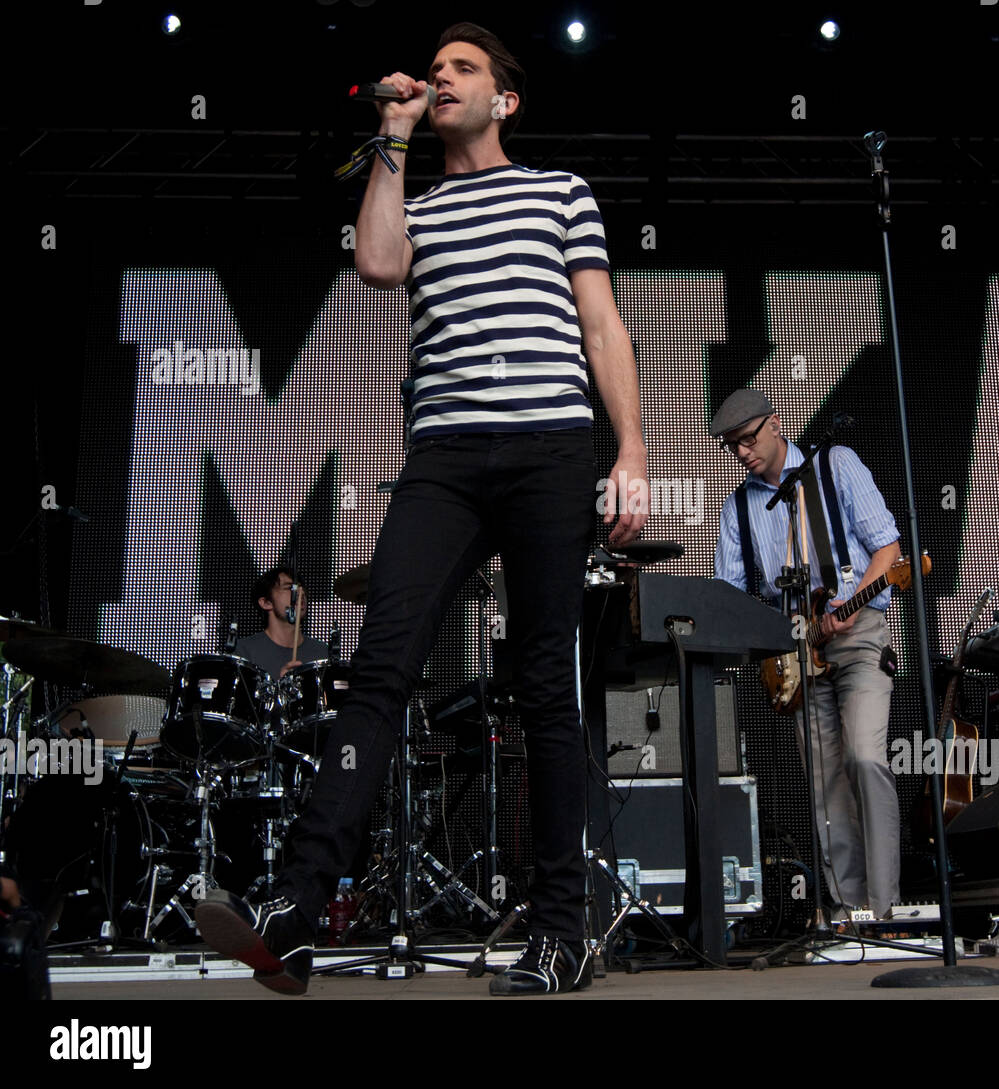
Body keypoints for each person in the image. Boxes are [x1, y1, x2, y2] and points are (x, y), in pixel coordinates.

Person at [197, 22, 646, 996]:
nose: (441, 78)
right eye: (433, 70)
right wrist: (393, 131)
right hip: (443, 459)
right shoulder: (422, 199)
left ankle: (560, 934)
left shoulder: (559, 191)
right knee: (380, 670)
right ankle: (297, 912)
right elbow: (377, 262)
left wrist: (634, 451)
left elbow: (602, 326)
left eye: (461, 70)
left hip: (549, 449)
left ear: (505, 99)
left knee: (543, 690)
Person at [711, 389, 901, 919]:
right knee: (825, 783)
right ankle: (847, 909)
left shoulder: (835, 466)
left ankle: (884, 911)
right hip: (795, 653)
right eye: (733, 446)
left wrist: (848, 601)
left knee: (865, 757)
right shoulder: (740, 506)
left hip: (859, 634)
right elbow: (731, 595)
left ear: (776, 425)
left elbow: (889, 550)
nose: (743, 453)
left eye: (748, 439)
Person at [236, 567, 328, 679]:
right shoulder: (244, 652)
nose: (301, 592)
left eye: (301, 588)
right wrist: (282, 686)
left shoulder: (322, 653)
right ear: (266, 603)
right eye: (290, 588)